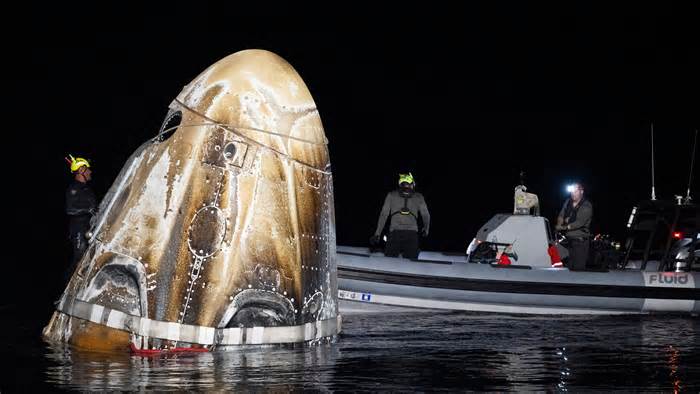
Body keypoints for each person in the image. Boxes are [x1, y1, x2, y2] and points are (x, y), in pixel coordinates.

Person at [371, 173, 430, 259]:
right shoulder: (419, 197)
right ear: (412, 184)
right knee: (412, 265)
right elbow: (426, 215)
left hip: (394, 234)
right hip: (411, 235)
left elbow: (384, 215)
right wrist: (426, 229)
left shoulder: (391, 195)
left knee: (389, 263)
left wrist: (377, 234)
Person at [65, 154, 97, 277]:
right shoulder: (73, 188)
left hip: (89, 228)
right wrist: (88, 209)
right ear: (81, 170)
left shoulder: (87, 189)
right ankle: (66, 288)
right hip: (79, 230)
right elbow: (70, 209)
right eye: (87, 169)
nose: (90, 171)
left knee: (90, 258)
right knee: (79, 260)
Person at [556, 183, 593, 270]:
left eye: (576, 191)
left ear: (581, 192)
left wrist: (563, 226)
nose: (573, 193)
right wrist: (559, 223)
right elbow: (561, 215)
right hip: (568, 241)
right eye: (572, 191)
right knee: (566, 268)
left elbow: (579, 223)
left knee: (578, 269)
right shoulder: (567, 202)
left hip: (580, 242)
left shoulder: (586, 205)